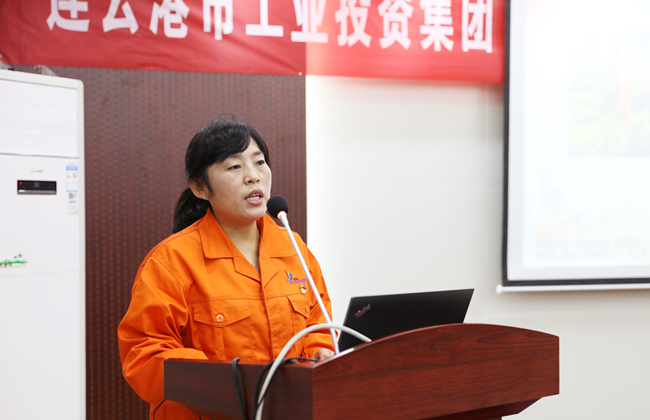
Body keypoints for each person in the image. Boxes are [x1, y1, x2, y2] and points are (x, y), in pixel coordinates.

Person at [117, 118, 335, 420]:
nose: (253, 176)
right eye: (234, 167)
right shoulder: (170, 261)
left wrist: (320, 352)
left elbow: (318, 325)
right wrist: (219, 385)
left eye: (259, 162)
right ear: (200, 187)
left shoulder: (294, 248)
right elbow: (144, 353)